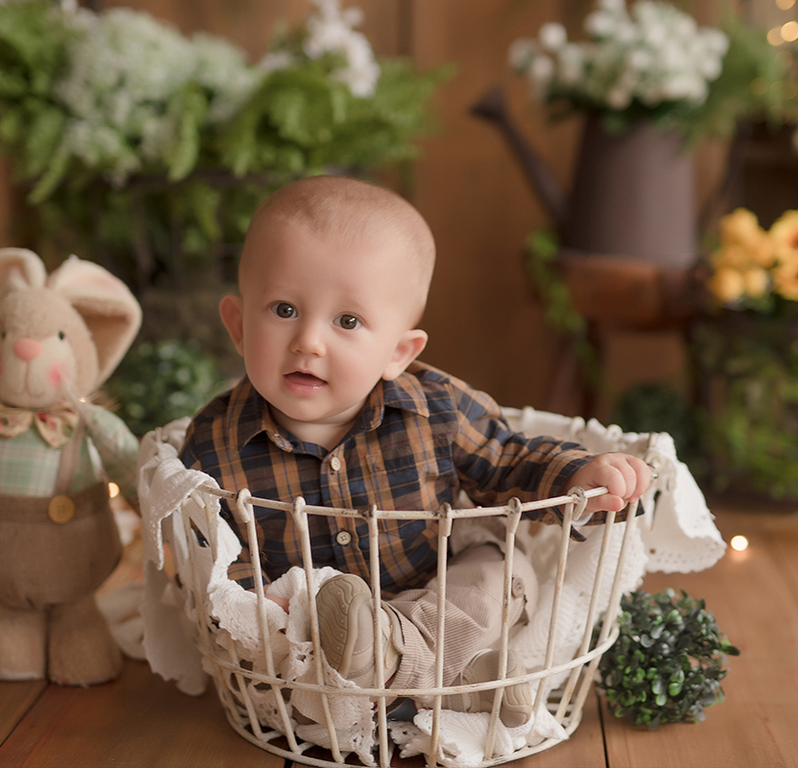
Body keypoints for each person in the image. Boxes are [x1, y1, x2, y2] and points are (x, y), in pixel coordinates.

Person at [179, 176, 651, 726]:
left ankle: (394, 658)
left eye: (347, 321)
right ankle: (451, 686)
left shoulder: (436, 409)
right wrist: (261, 603)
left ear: (398, 351)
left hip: (437, 592)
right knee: (282, 657)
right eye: (283, 309)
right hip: (317, 634)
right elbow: (211, 563)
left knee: (500, 568)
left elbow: (508, 460)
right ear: (237, 326)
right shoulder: (211, 444)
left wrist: (578, 475)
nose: (309, 340)